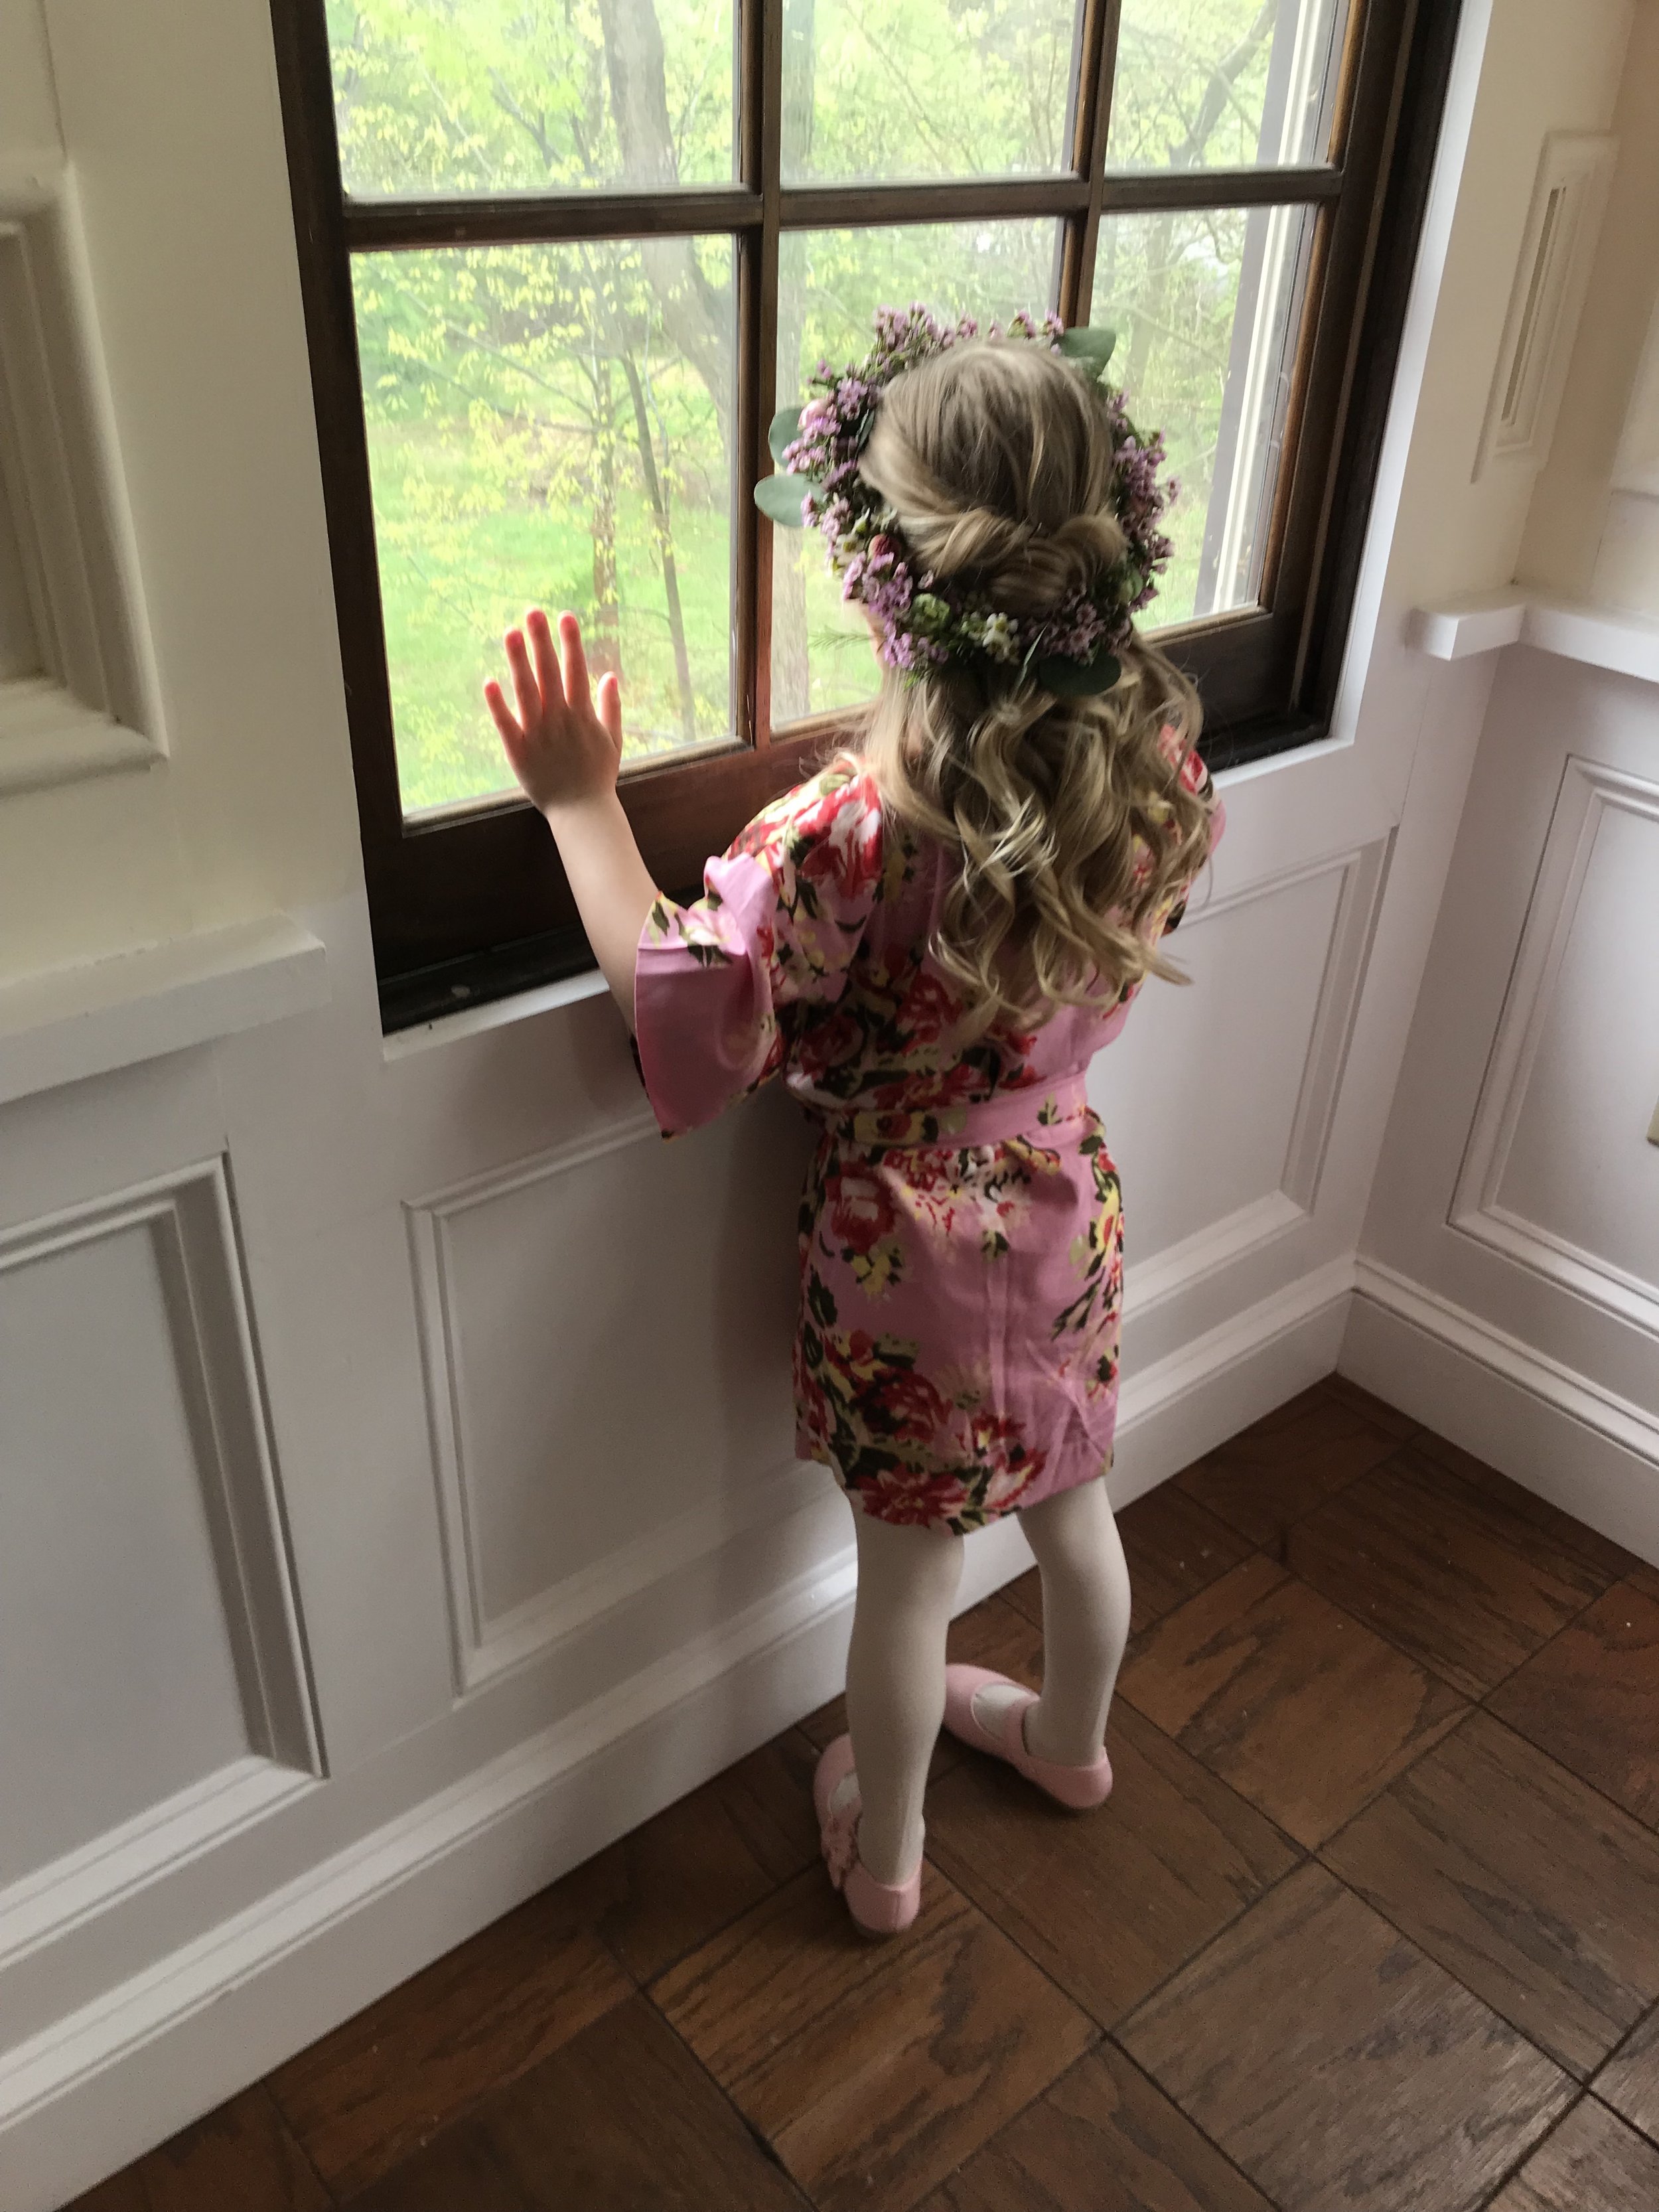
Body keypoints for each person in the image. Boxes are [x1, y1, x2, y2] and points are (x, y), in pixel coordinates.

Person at [485, 311, 1222, 1940]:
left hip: (908, 1255)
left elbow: (688, 1008)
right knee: (1076, 1507)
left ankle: (883, 1864)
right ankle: (1072, 1744)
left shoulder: (849, 832)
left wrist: (579, 805)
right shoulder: (1155, 757)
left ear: (886, 574)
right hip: (1067, 1204)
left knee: (909, 1585)